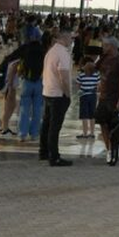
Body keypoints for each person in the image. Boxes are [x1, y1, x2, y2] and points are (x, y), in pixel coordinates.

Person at [39, 28, 74, 167]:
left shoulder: (51, 52)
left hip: (47, 91)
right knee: (55, 127)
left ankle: (43, 152)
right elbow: (63, 76)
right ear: (64, 38)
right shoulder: (63, 54)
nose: (72, 41)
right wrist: (68, 93)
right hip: (58, 95)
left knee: (46, 124)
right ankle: (54, 157)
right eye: (71, 38)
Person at [95, 38, 119, 163]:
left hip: (113, 99)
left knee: (113, 127)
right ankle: (108, 149)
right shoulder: (103, 58)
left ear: (112, 46)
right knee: (102, 123)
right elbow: (94, 69)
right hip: (103, 98)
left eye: (105, 45)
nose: (103, 47)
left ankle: (114, 150)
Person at [75, 58, 100, 139]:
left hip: (84, 96)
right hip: (93, 96)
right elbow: (98, 85)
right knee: (92, 115)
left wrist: (79, 90)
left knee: (84, 115)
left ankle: (85, 133)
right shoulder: (96, 74)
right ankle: (92, 133)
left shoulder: (81, 74)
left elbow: (78, 84)